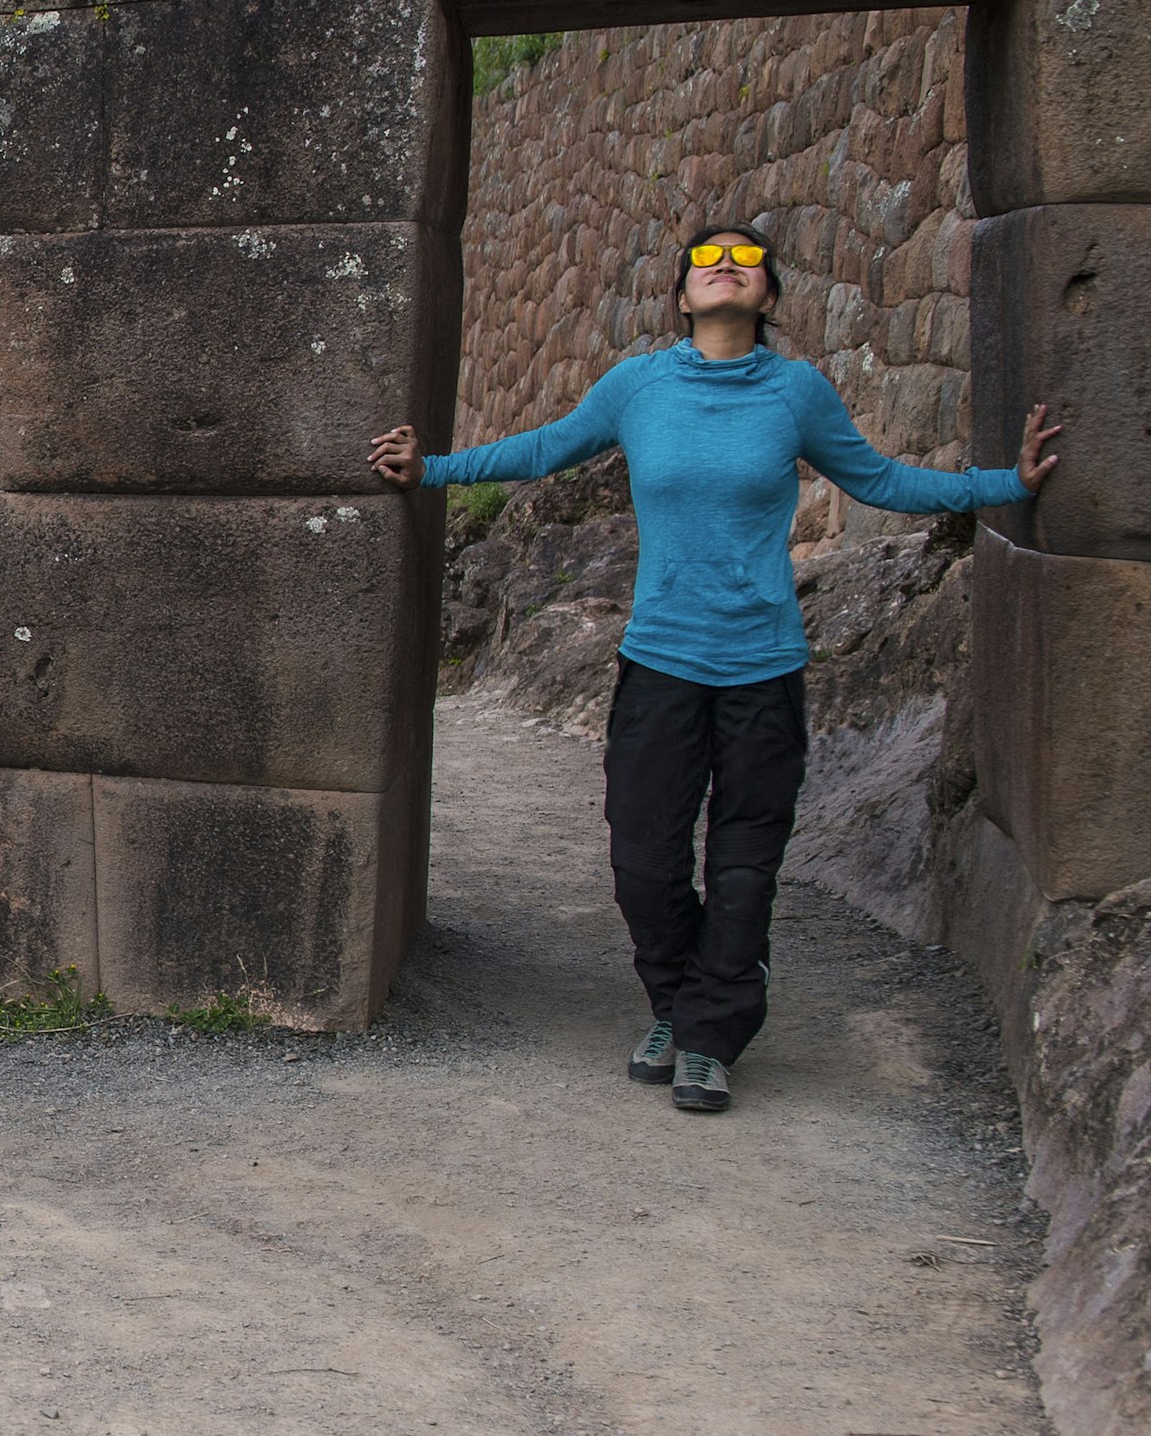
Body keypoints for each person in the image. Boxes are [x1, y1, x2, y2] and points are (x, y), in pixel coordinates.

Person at [367, 226, 1060, 1114]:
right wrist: (429, 469)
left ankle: (706, 1034)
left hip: (762, 667)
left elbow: (882, 481)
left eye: (745, 259)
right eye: (704, 260)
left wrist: (1007, 484)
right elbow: (544, 449)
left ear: (767, 297)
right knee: (642, 861)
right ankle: (682, 1002)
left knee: (743, 862)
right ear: (682, 297)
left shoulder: (797, 393)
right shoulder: (639, 386)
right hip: (659, 663)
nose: (724, 264)